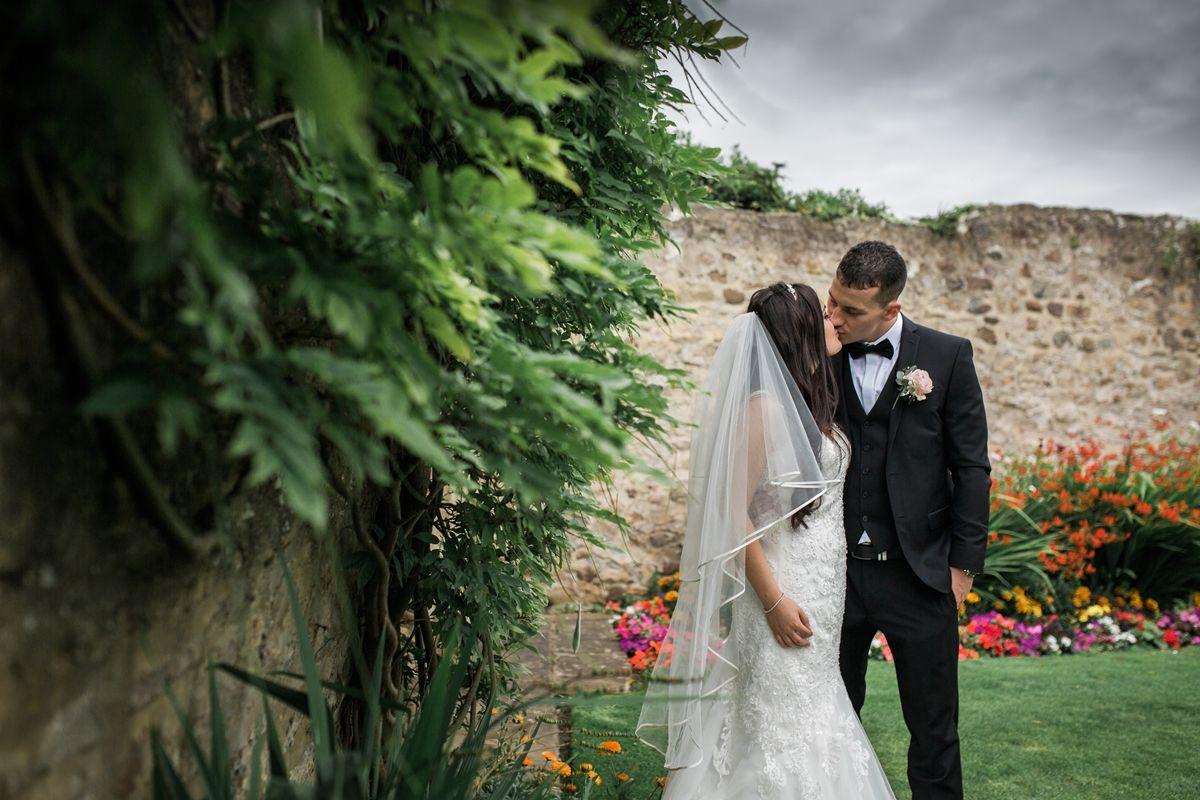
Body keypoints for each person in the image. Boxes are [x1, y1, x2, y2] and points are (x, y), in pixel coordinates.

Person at [638, 282, 896, 800]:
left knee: (812, 705)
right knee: (779, 716)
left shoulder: (808, 402)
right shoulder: (764, 410)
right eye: (824, 315)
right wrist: (773, 601)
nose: (836, 321)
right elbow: (732, 514)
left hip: (821, 586)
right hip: (780, 587)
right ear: (799, 333)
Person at [826, 241, 991, 800]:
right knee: (826, 723)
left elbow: (971, 466)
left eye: (851, 311)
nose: (835, 318)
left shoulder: (946, 357)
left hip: (920, 575)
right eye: (832, 302)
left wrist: (963, 565)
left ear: (891, 310)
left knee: (934, 730)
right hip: (834, 574)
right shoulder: (819, 353)